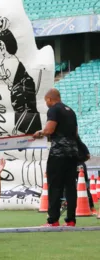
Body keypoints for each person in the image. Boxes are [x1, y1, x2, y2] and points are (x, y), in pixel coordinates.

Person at [33, 88, 78, 227]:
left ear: (49, 99)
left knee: (55, 186)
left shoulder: (53, 109)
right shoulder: (71, 111)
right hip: (72, 153)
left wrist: (39, 133)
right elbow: (76, 133)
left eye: (46, 101)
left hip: (58, 153)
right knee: (70, 186)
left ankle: (53, 220)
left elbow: (49, 129)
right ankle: (71, 220)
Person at [76, 135, 97, 215]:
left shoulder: (69, 144)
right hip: (81, 165)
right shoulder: (82, 144)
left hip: (72, 165)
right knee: (84, 186)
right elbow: (88, 156)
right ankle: (91, 206)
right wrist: (81, 160)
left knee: (70, 185)